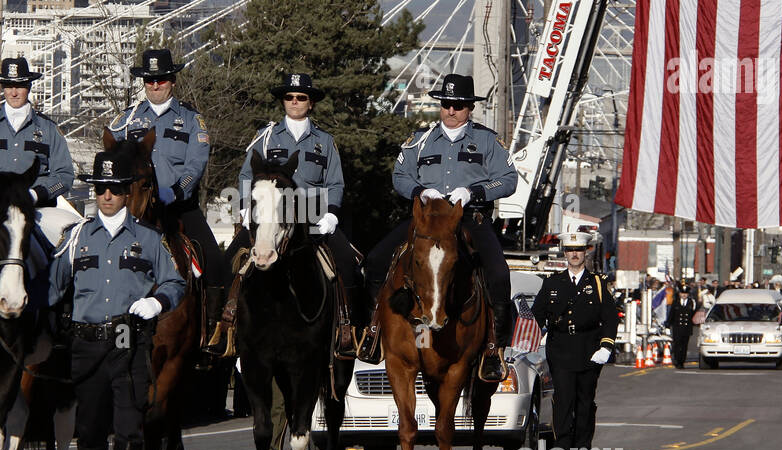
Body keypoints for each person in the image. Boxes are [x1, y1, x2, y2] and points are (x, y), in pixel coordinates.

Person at [49, 148, 186, 450]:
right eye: (100, 188)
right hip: (86, 345)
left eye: (114, 188)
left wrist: (157, 301)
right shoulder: (75, 238)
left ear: (128, 191)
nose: (106, 195)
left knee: (128, 429)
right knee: (90, 431)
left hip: (129, 345)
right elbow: (52, 288)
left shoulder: (149, 238)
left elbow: (176, 283)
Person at [360, 74, 518, 378]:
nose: (451, 111)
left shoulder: (487, 140)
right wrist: (420, 192)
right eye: (446, 104)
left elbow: (508, 179)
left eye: (458, 105)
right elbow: (400, 175)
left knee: (499, 273)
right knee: (376, 261)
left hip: (470, 218)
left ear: (469, 107)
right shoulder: (419, 139)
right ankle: (373, 331)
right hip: (427, 218)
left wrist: (475, 192)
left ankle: (494, 349)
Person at [226, 71, 362, 351]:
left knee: (348, 262)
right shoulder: (265, 138)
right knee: (229, 261)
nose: (295, 102)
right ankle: (224, 328)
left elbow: (335, 182)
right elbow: (245, 176)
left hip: (313, 216)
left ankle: (348, 328)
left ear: (310, 103)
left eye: (301, 97)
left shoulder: (325, 141)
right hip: (270, 217)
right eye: (289, 97)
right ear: (283, 101)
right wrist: (244, 208)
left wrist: (332, 215)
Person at [111, 49, 227, 340]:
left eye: (160, 80)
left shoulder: (191, 119)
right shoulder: (126, 121)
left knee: (215, 262)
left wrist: (175, 190)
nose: (155, 86)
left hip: (178, 209)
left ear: (172, 80)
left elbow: (196, 163)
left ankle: (214, 332)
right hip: (137, 213)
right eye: (149, 81)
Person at [0, 56, 78, 251]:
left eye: (19, 86)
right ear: (2, 87)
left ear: (28, 86)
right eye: (8, 85)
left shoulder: (48, 129)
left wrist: (37, 194)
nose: (13, 92)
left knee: (60, 256)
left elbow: (64, 175)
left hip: (37, 211)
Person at [530, 233, 619, 450]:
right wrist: (525, 339)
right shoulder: (552, 282)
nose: (574, 254)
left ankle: (582, 447)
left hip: (589, 348)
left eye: (578, 250)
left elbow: (610, 317)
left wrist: (606, 345)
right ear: (564, 252)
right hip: (560, 349)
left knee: (585, 401)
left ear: (586, 251)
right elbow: (537, 316)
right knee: (562, 400)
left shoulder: (598, 283)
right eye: (570, 250)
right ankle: (561, 446)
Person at [666, 282, 697, 368]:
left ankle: (682, 361)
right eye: (682, 293)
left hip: (687, 328)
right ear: (679, 294)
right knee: (677, 344)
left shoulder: (692, 303)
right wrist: (668, 324)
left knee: (684, 346)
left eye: (685, 293)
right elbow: (671, 314)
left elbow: (694, 314)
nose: (684, 295)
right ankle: (677, 360)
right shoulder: (675, 302)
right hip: (677, 327)